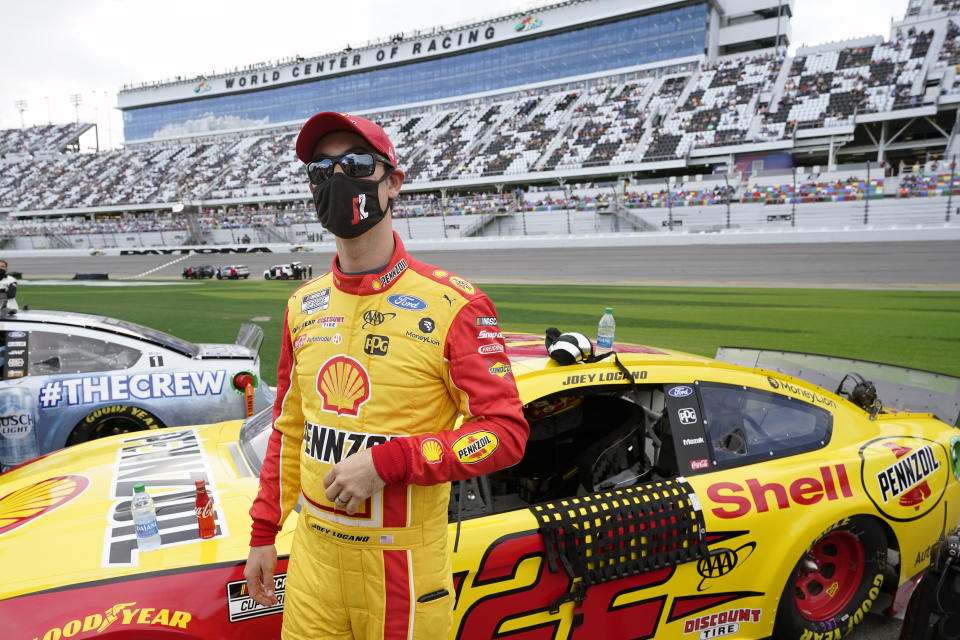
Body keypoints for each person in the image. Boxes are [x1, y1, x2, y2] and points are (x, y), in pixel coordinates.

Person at [243, 112, 528, 640]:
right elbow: (289, 430)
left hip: (403, 568)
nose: (335, 178)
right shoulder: (301, 305)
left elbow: (505, 434)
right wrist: (264, 532)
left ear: (392, 182)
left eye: (353, 163)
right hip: (312, 566)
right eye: (320, 170)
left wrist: (390, 461)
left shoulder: (456, 305)